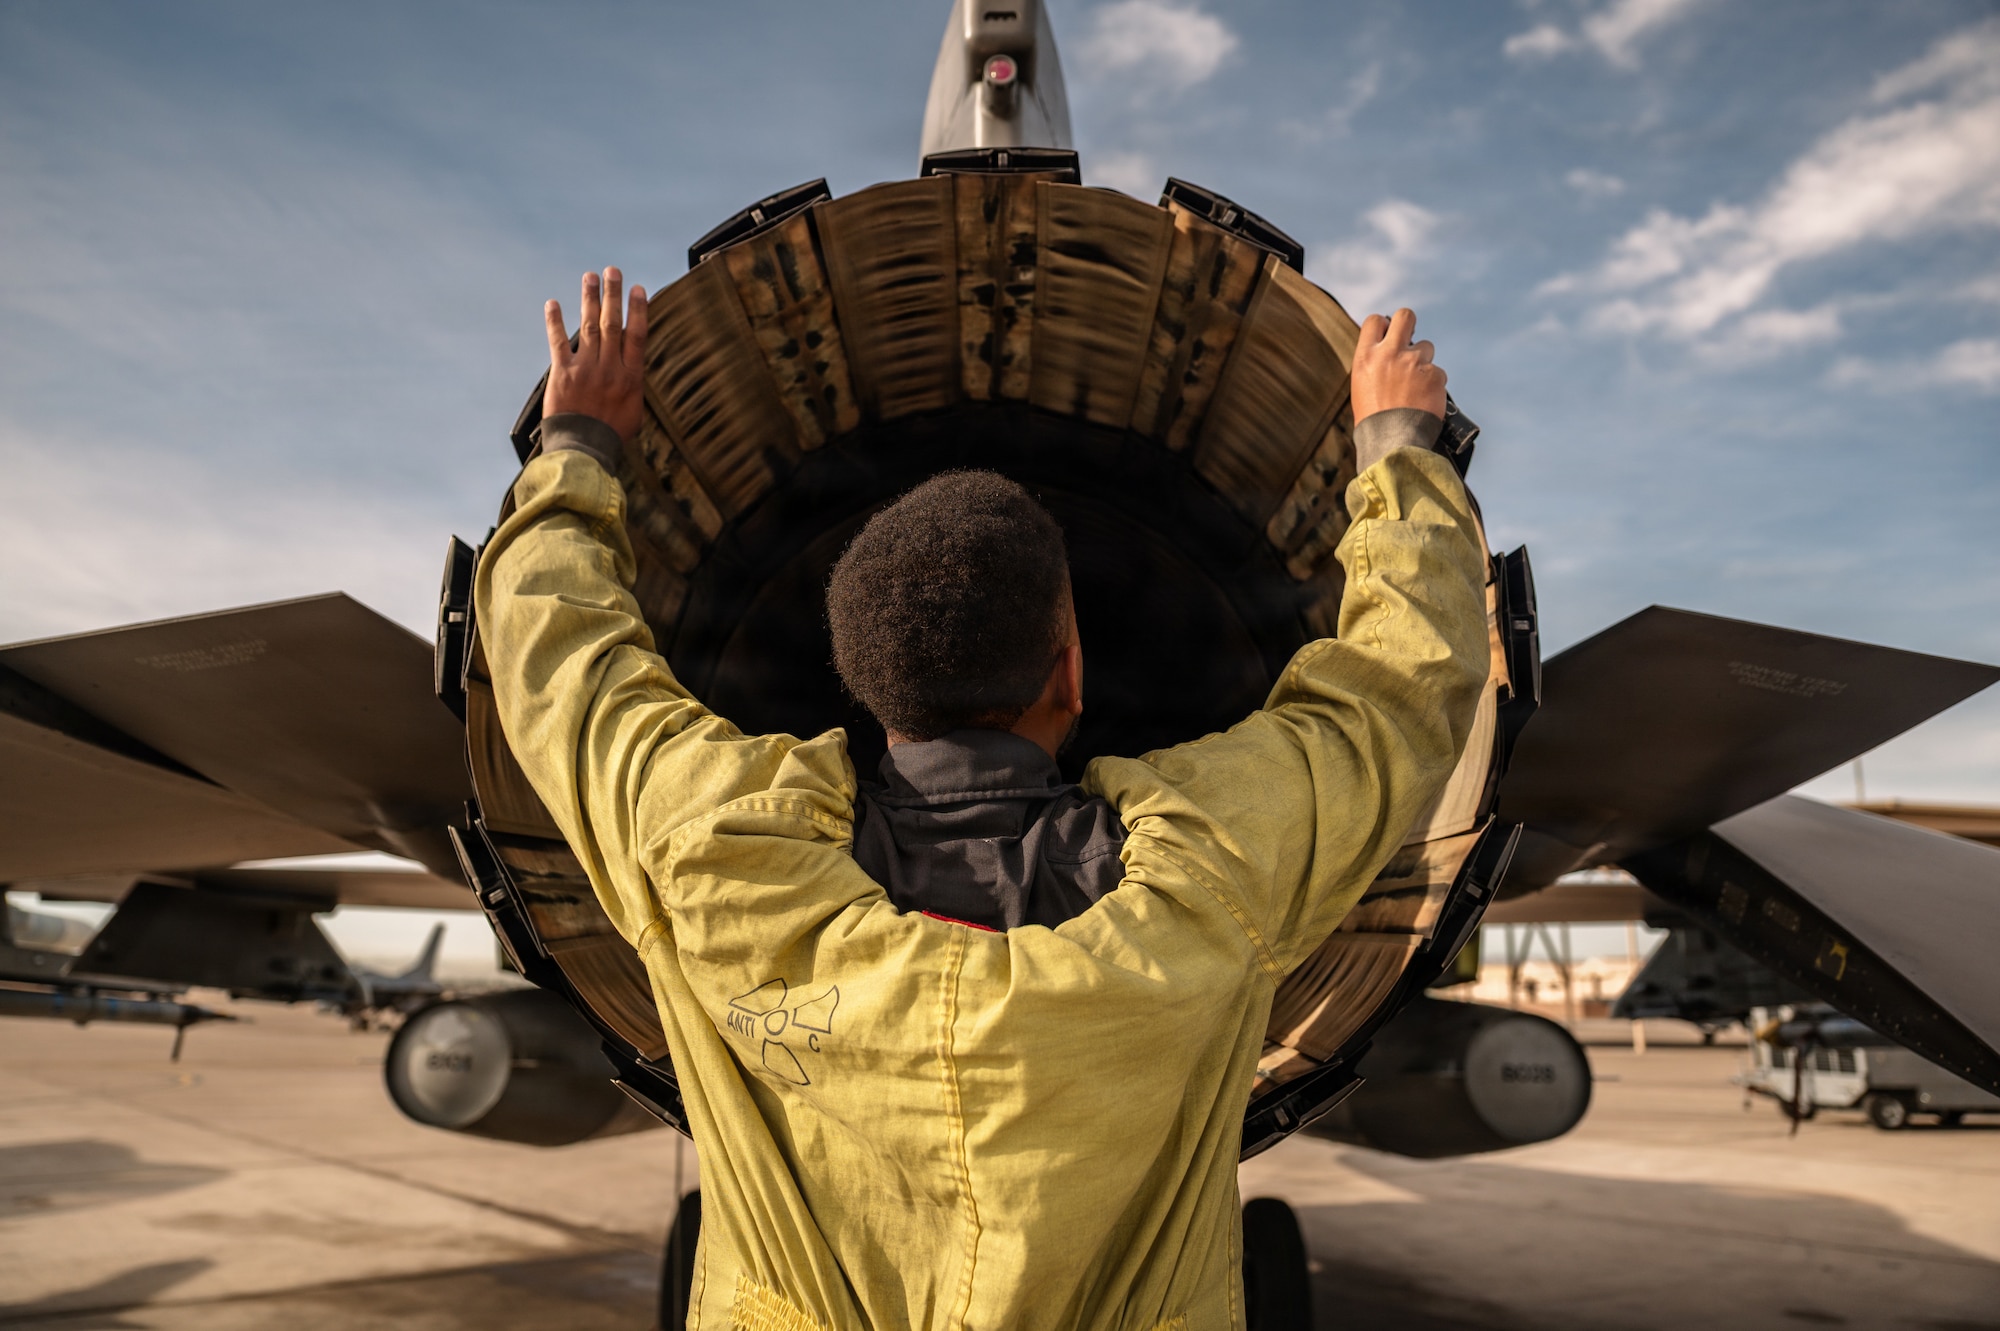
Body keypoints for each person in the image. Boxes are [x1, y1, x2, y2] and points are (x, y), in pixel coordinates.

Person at [475, 265, 1489, 1330]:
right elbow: (1397, 688)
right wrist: (1394, 452)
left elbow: (561, 652)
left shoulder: (710, 848)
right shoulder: (1212, 870)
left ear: (862, 686)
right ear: (1072, 674)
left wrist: (576, 447)